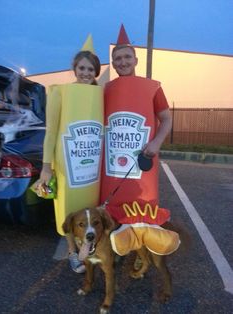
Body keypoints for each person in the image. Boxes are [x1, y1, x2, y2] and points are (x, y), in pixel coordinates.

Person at [100, 25, 179, 263]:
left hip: (143, 158)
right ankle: (116, 244)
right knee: (112, 203)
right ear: (112, 64)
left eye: (126, 57)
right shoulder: (106, 89)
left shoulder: (152, 87)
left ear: (135, 59)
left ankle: (140, 247)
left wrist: (156, 142)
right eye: (117, 59)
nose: (122, 62)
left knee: (142, 204)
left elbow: (166, 118)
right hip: (112, 164)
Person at [36, 35, 103, 273]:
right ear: (74, 68)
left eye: (91, 69)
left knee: (89, 211)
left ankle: (90, 249)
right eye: (82, 68)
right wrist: (46, 166)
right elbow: (51, 133)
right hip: (66, 167)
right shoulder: (60, 93)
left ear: (96, 71)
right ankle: (74, 254)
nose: (86, 72)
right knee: (69, 212)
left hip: (90, 169)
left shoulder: (100, 95)